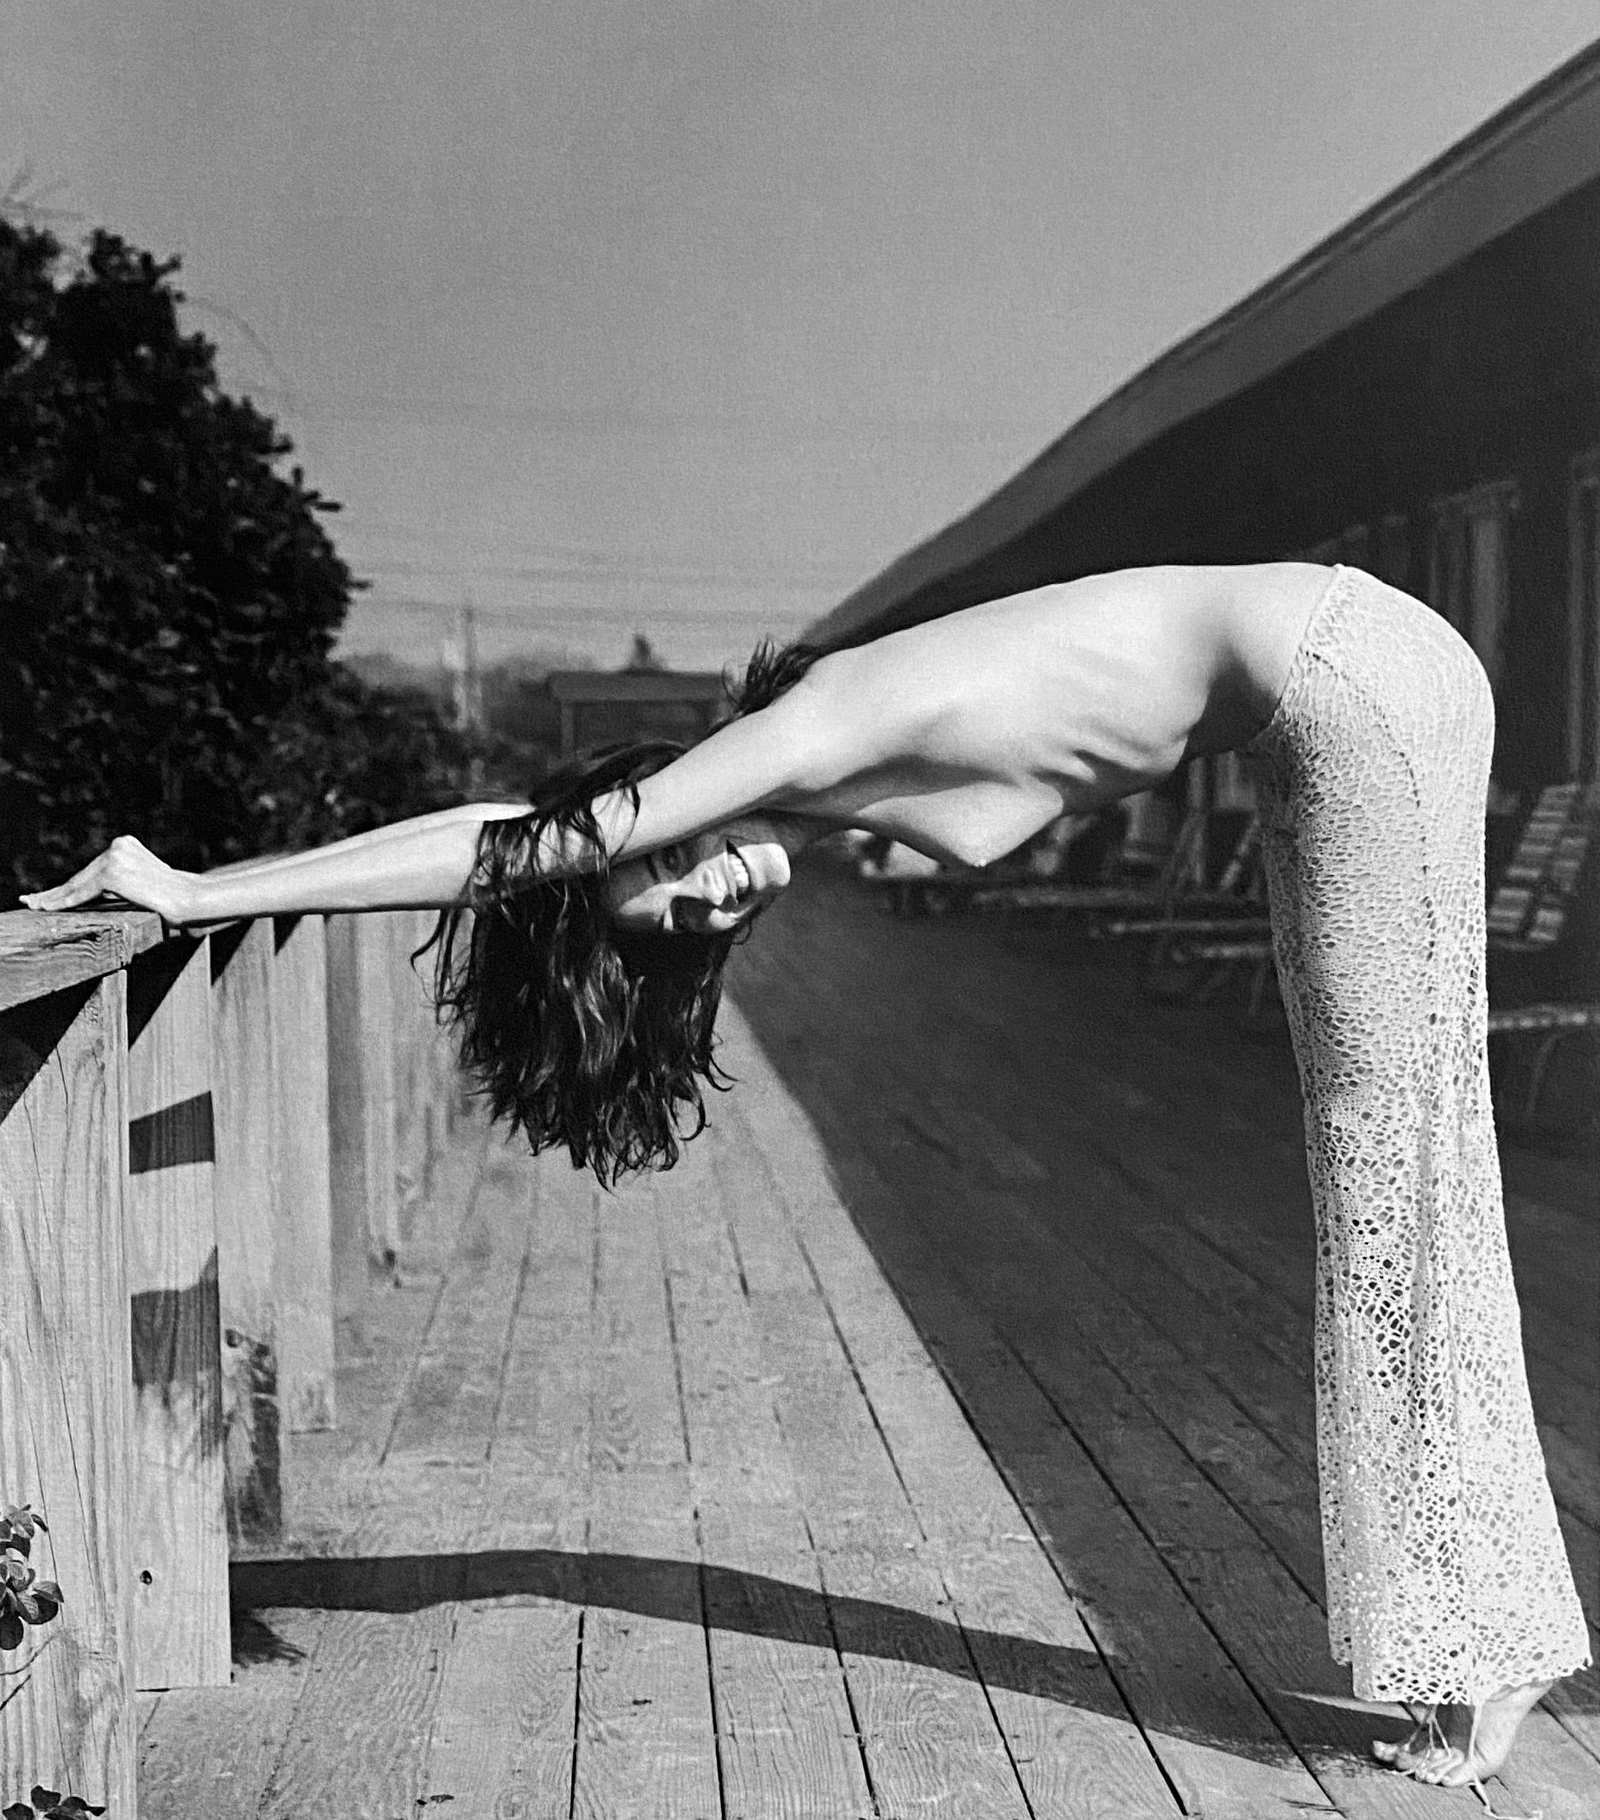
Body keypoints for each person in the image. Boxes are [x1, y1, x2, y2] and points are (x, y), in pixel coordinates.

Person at [22, 559, 1590, 1791]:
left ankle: (1494, 1639)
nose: (715, 891)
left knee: (1396, 1186)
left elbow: (511, 842)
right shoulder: (838, 790)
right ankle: (1475, 1636)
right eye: (697, 922)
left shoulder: (809, 729)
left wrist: (201, 887)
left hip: (1350, 680)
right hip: (1348, 684)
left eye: (672, 865)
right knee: (1391, 1181)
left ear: (655, 803)